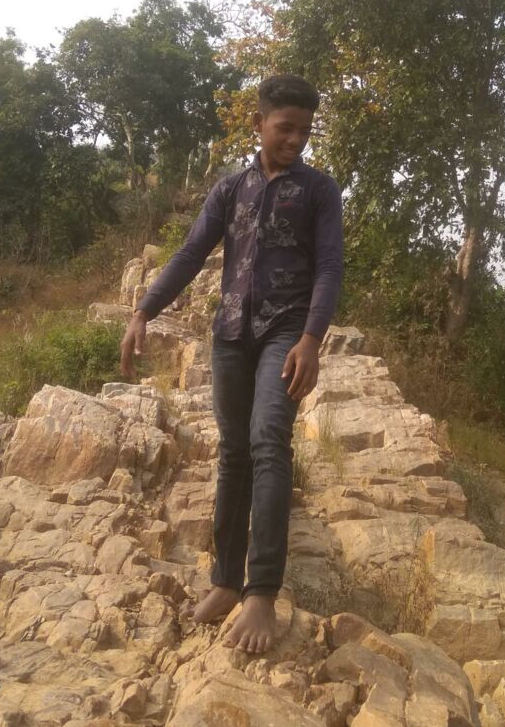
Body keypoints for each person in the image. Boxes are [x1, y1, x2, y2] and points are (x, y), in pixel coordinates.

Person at [120, 74, 343, 655]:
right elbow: (192, 252)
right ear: (259, 123)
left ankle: (261, 592)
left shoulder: (319, 190)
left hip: (286, 332)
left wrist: (312, 339)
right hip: (230, 335)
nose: (295, 139)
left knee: (269, 440)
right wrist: (143, 310)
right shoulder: (230, 189)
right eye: (284, 128)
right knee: (234, 454)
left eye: (304, 131)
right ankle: (225, 580)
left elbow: (329, 267)